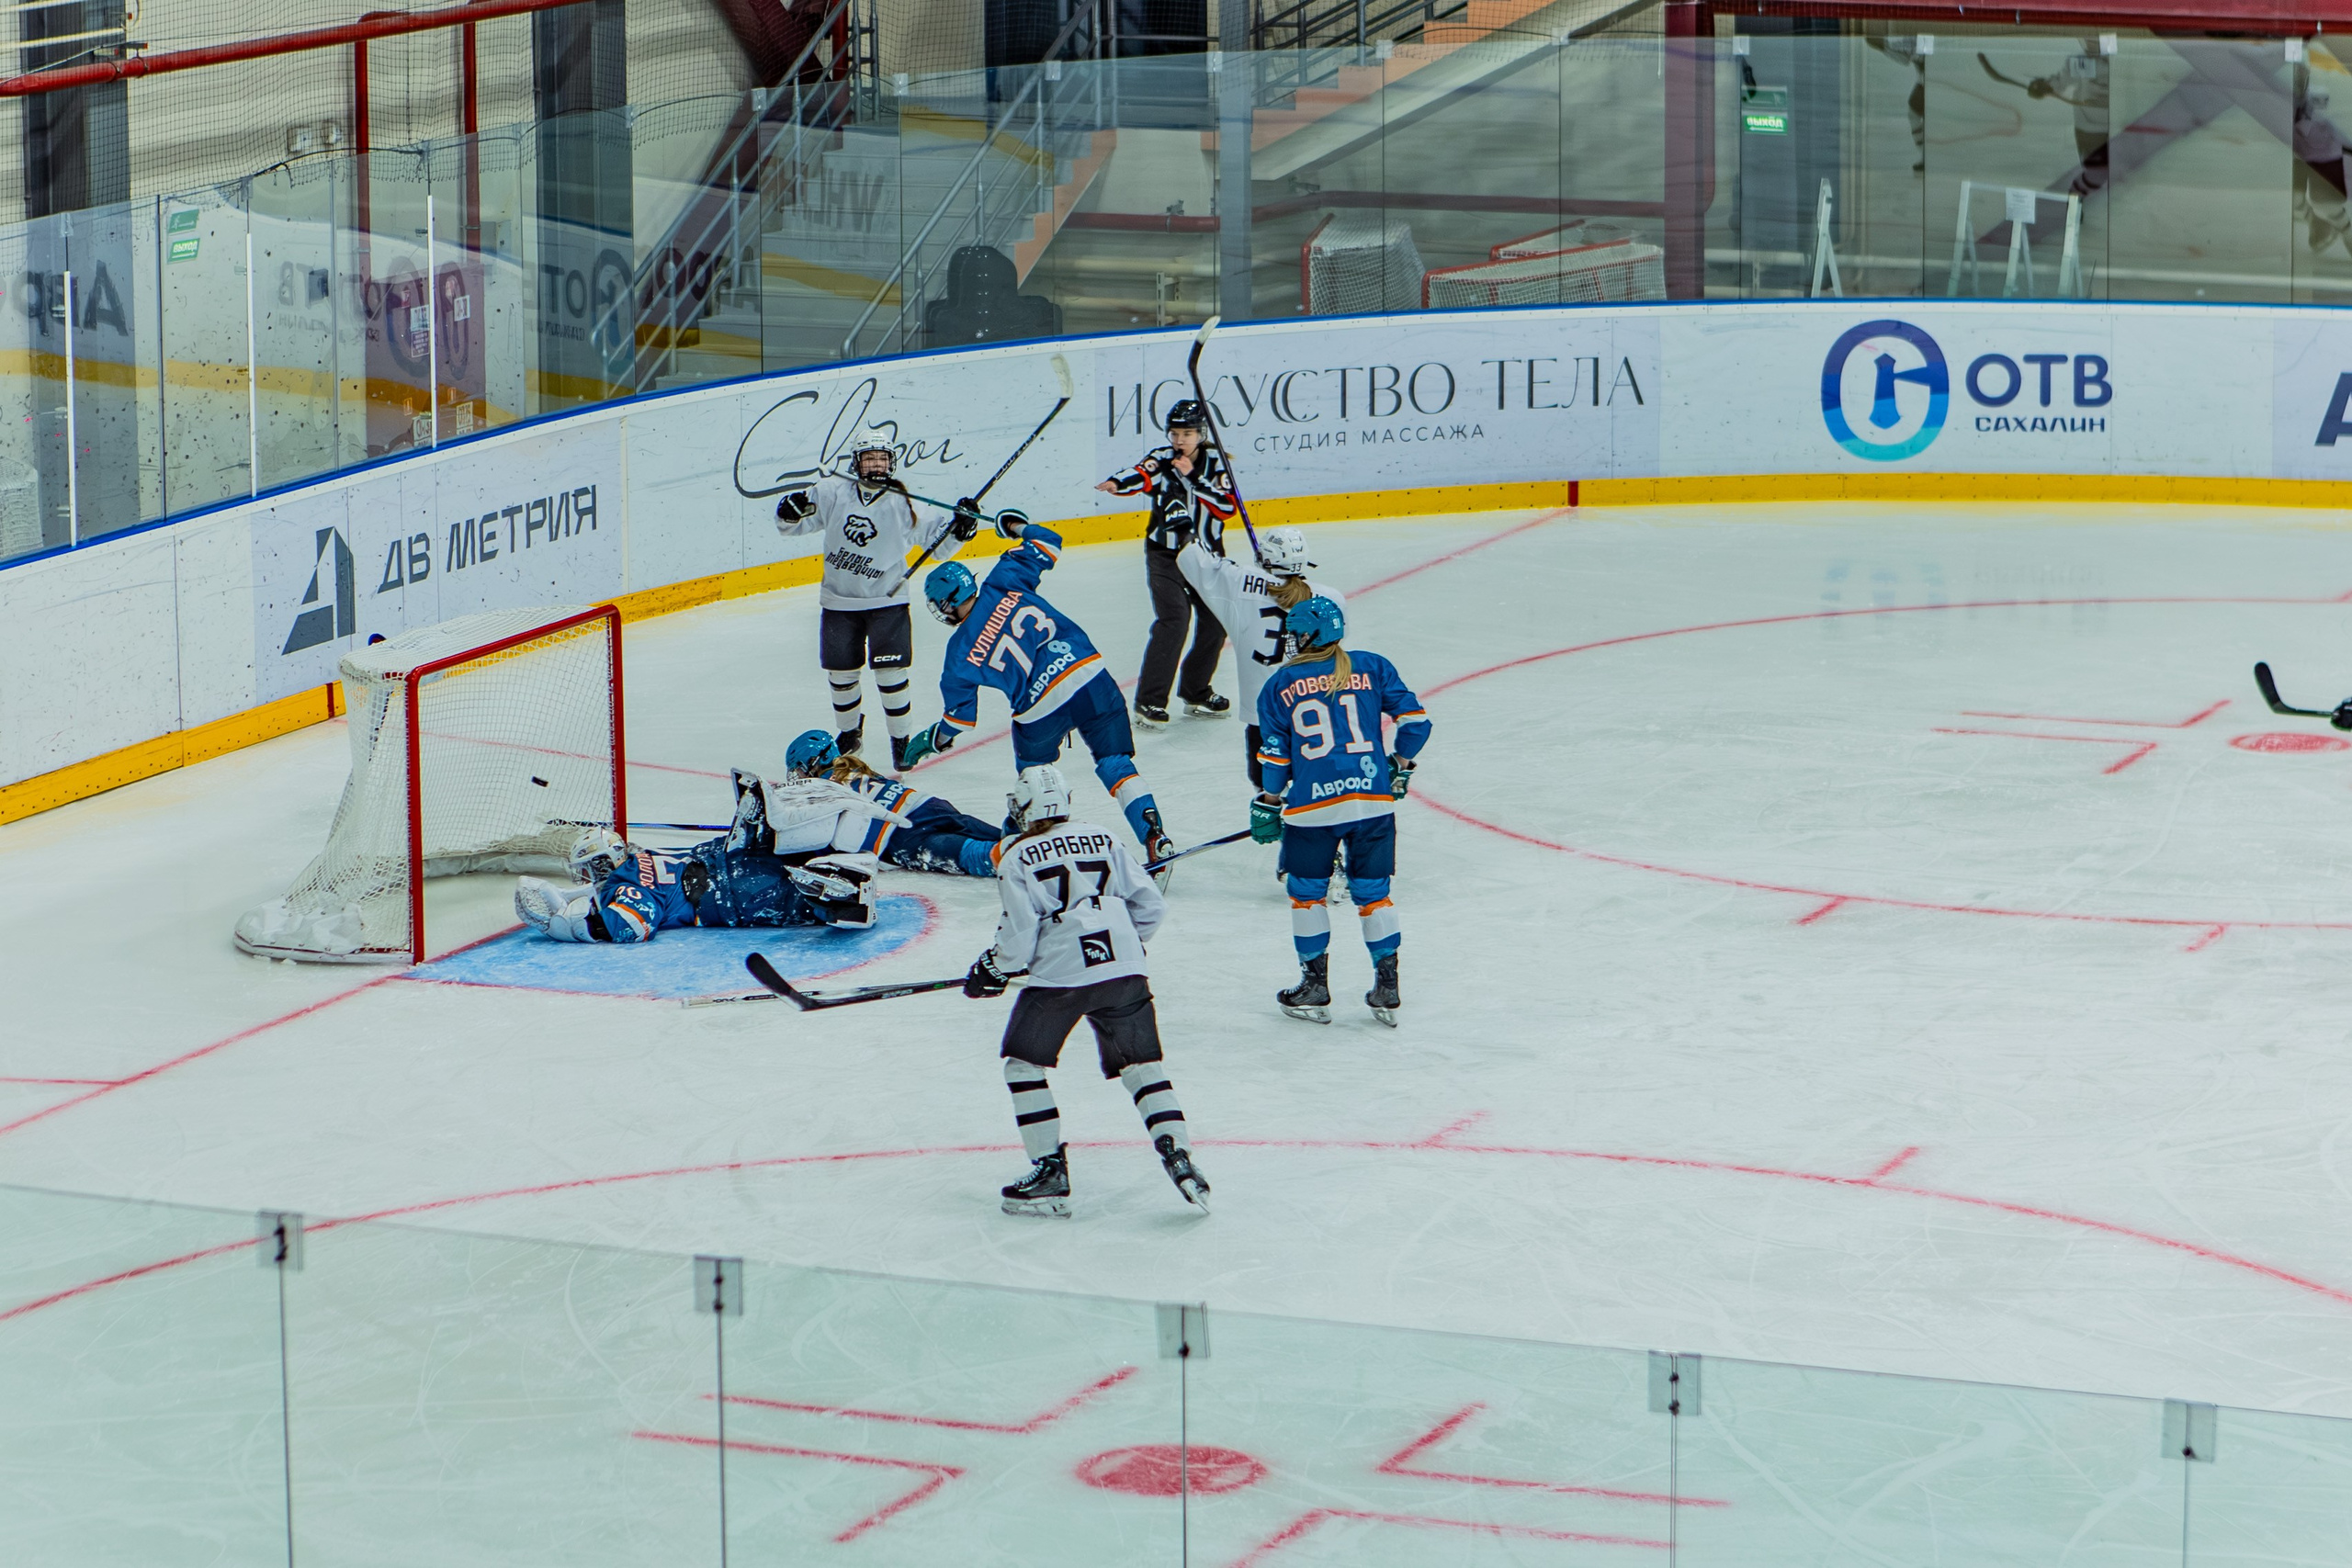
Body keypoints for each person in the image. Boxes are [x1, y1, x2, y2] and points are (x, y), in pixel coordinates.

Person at [964, 763, 1209, 1217]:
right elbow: (1151, 906)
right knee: (1143, 1067)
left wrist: (992, 969)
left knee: (1024, 1066)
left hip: (1061, 979)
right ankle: (1181, 1160)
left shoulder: (1017, 856)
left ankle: (1050, 1173)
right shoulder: (1103, 836)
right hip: (1125, 970)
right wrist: (1120, 948)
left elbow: (1018, 938)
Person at [899, 521, 1179, 865]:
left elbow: (958, 720)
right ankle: (1154, 833)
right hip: (1088, 678)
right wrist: (1014, 525)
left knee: (1033, 784)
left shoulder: (957, 655)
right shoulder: (1005, 577)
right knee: (1116, 764)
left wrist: (931, 740)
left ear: (946, 603)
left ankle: (1018, 848)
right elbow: (1049, 541)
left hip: (1039, 712)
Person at [1251, 596, 1431, 1027]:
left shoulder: (1279, 685)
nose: (1291, 641)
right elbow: (1416, 722)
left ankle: (1314, 986)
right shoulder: (1371, 666)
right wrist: (1398, 766)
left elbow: (1276, 761)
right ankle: (1387, 987)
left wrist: (1269, 803)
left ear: (1309, 635)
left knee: (1306, 894)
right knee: (1374, 895)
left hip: (1312, 810)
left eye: (1295, 633)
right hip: (1372, 803)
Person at [774, 442, 986, 770]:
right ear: (857, 462)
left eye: (881, 459)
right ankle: (849, 733)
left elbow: (940, 548)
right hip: (838, 601)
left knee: (891, 675)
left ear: (891, 463)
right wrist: (788, 511)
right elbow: (793, 526)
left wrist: (963, 528)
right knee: (841, 675)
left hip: (888, 602)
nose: (875, 465)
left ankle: (900, 742)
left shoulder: (906, 504)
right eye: (869, 458)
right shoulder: (830, 491)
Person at [513, 772, 892, 942]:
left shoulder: (624, 883)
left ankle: (844, 892)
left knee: (790, 897)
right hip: (727, 859)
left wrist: (560, 926)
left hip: (728, 894)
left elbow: (630, 927)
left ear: (600, 864)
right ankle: (833, 855)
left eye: (587, 870)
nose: (587, 879)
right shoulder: (640, 858)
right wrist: (570, 899)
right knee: (782, 857)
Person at [1096, 399, 1235, 727]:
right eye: (1175, 433)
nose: (1179, 440)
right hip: (1166, 554)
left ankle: (1196, 691)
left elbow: (1227, 509)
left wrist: (1195, 481)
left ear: (1201, 434)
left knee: (1216, 623)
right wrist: (1118, 482)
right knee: (1175, 620)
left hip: (1206, 554)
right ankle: (1149, 702)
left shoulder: (1217, 464)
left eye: (1187, 433)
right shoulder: (1163, 458)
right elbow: (1141, 474)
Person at [1176, 525, 1346, 793]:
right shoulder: (1330, 598)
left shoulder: (1238, 582)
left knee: (1267, 787)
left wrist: (1186, 532)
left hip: (1263, 717)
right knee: (1316, 784)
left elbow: (1193, 561)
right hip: (1314, 712)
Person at [784, 728, 1001, 877]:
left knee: (982, 856)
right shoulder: (855, 766)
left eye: (800, 769)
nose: (799, 777)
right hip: (927, 805)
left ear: (816, 761)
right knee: (1003, 835)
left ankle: (1025, 858)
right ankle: (1031, 837)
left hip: (900, 835)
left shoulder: (818, 789)